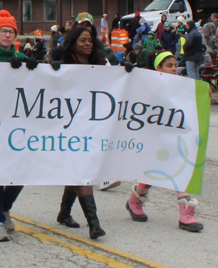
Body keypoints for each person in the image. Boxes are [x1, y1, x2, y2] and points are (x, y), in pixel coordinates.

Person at [0, 9, 38, 242]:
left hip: (19, 124)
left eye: (11, 31)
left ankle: (4, 207)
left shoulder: (23, 59)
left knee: (21, 171)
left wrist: (34, 68)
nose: (7, 35)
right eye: (3, 31)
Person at [126, 50, 203, 232]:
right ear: (158, 67)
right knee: (154, 171)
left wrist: (203, 92)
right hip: (153, 137)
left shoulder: (182, 85)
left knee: (181, 167)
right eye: (169, 66)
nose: (174, 69)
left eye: (175, 66)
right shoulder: (147, 86)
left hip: (175, 138)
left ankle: (186, 215)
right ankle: (134, 200)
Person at [56, 26, 107, 240]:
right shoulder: (62, 63)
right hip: (66, 125)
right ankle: (93, 224)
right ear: (73, 43)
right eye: (83, 40)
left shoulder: (101, 64)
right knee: (81, 169)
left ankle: (64, 212)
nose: (88, 44)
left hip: (91, 124)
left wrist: (128, 72)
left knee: (77, 168)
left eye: (90, 40)